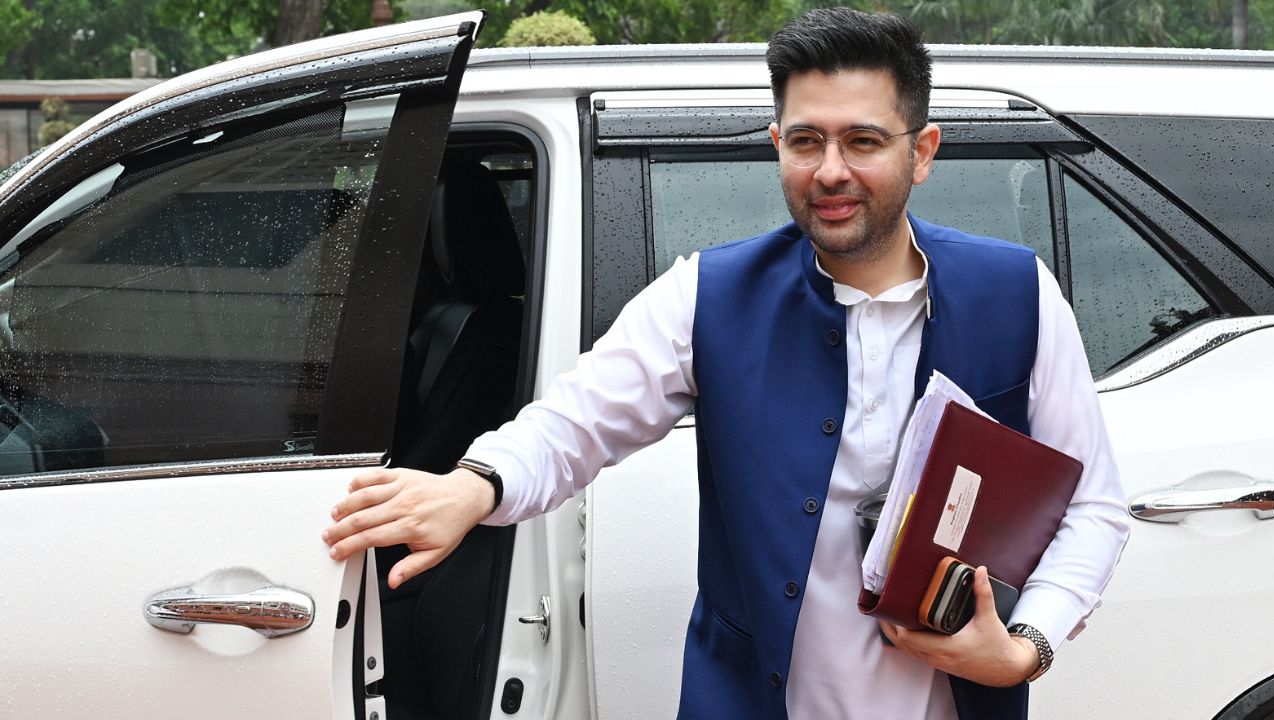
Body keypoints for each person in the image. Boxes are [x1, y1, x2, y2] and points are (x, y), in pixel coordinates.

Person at [323, 8, 1129, 720]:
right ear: (778, 144)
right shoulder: (707, 294)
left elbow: (1092, 506)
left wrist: (1025, 647)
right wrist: (475, 484)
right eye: (806, 140)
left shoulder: (1017, 292)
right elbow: (574, 422)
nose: (831, 170)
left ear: (922, 152)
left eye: (863, 141)